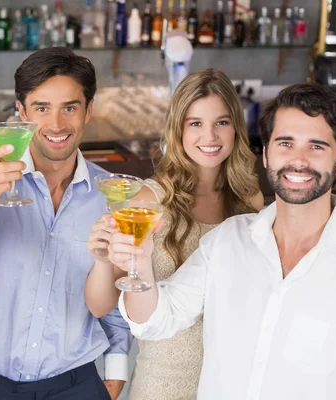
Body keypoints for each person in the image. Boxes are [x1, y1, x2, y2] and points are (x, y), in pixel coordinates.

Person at [110, 83, 336, 399]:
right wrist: (140, 262)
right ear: (266, 154)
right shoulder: (227, 240)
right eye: (285, 143)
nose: (298, 160)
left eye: (316, 146)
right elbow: (154, 320)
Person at [0, 47, 131, 400]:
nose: (57, 124)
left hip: (77, 385)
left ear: (89, 110)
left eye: (70, 107)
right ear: (21, 112)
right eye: (42, 108)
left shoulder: (109, 194)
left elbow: (119, 286)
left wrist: (117, 368)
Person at [85, 69, 263, 400]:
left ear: (236, 128)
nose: (209, 136)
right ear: (177, 129)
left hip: (233, 383)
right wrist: (101, 260)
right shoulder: (146, 201)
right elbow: (99, 306)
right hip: (162, 384)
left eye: (221, 122)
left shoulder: (249, 201)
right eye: (195, 123)